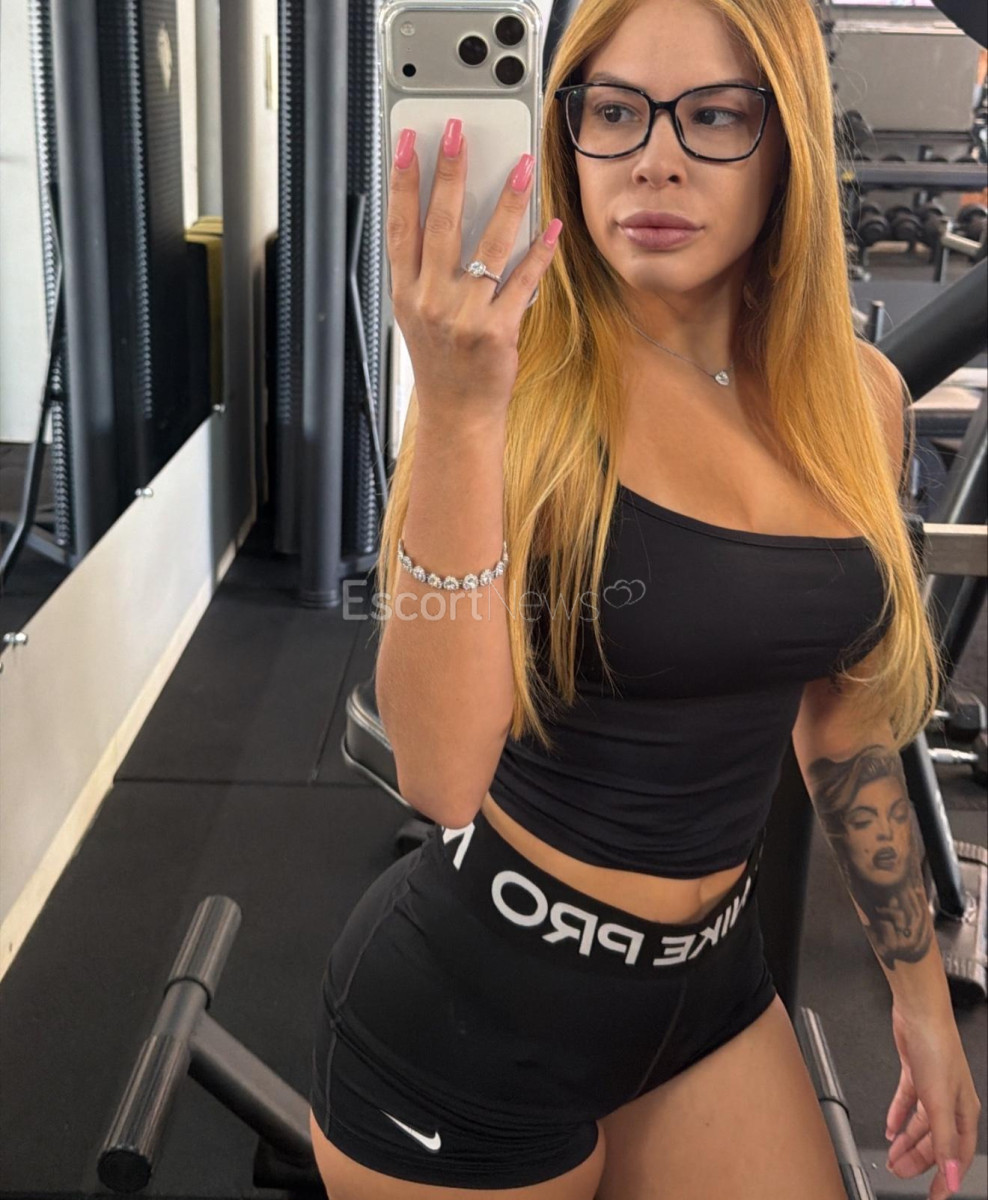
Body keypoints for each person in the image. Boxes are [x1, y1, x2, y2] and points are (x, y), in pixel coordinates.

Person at [308, 0, 982, 1196]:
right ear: (566, 133)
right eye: (614, 112)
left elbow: (842, 722)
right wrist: (455, 411)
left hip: (709, 992)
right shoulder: (512, 385)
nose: (655, 160)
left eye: (713, 116)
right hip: (474, 1016)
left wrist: (919, 995)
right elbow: (440, 774)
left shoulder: (859, 397)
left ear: (787, 143)